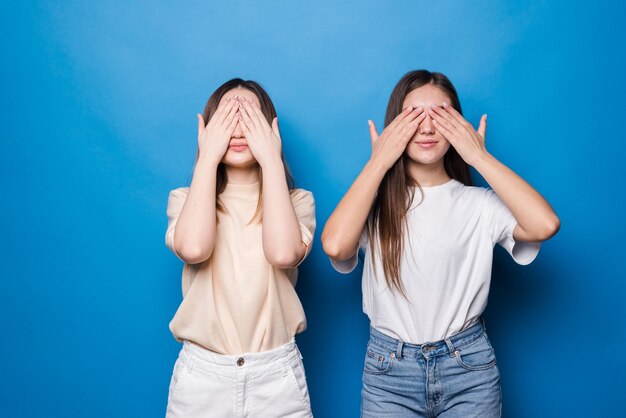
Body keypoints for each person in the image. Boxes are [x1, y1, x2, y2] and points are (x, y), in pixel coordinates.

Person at [321, 70, 560, 417]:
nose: (429, 128)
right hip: (389, 372)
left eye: (441, 116)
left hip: (468, 368)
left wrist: (478, 156)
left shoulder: (479, 204)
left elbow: (544, 224)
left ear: (459, 126)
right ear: (394, 126)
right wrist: (379, 161)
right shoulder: (374, 206)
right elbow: (335, 246)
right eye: (415, 117)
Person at [164, 78, 315, 417]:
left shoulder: (298, 203)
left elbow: (282, 254)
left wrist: (271, 160)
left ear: (270, 129)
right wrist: (207, 156)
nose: (237, 128)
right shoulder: (184, 200)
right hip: (202, 377)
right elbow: (194, 248)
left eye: (249, 117)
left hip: (276, 378)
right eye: (226, 117)